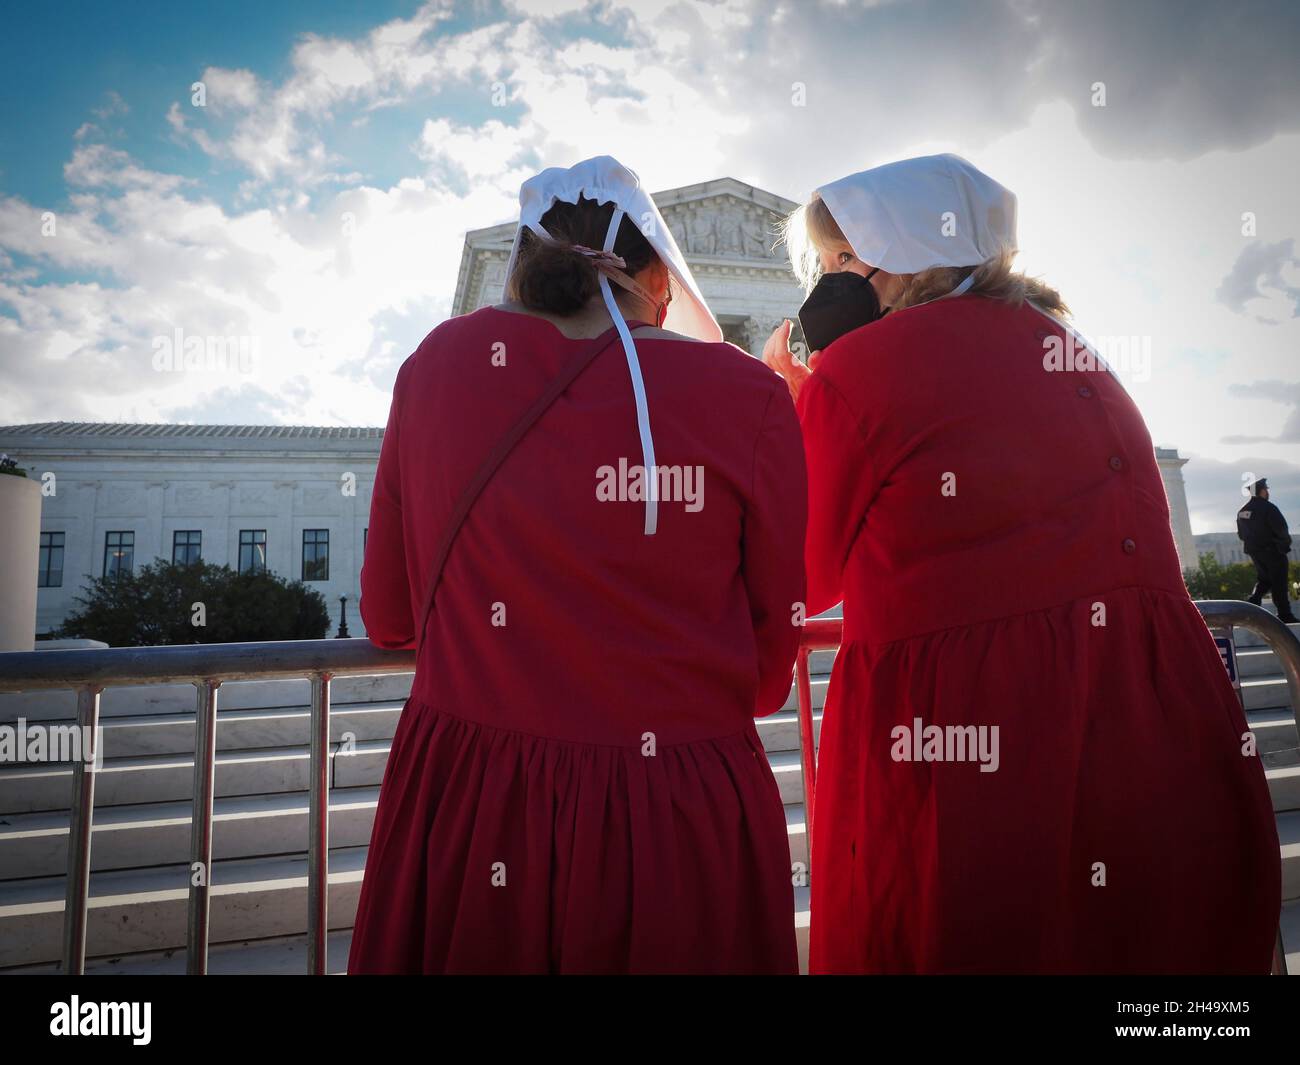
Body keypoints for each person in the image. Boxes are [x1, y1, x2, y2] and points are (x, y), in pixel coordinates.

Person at [763, 153, 1281, 974]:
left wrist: (794, 382)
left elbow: (798, 571)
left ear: (897, 261)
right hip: (1153, 714)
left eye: (838, 260)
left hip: (967, 735)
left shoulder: (858, 372)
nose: (825, 281)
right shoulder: (1072, 348)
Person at [347, 156, 807, 974]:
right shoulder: (748, 393)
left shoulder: (435, 368)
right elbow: (770, 664)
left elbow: (388, 612)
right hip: (676, 806)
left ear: (522, 269)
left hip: (476, 796)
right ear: (658, 274)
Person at [1237, 478, 1297, 623]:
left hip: (1255, 553)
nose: (1268, 492)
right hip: (1273, 551)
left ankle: (1251, 604)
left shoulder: (1242, 511)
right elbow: (1281, 529)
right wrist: (1283, 546)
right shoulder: (1268, 508)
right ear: (1262, 491)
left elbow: (1241, 534)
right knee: (1279, 582)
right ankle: (1284, 614)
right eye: (1266, 489)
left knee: (1265, 580)